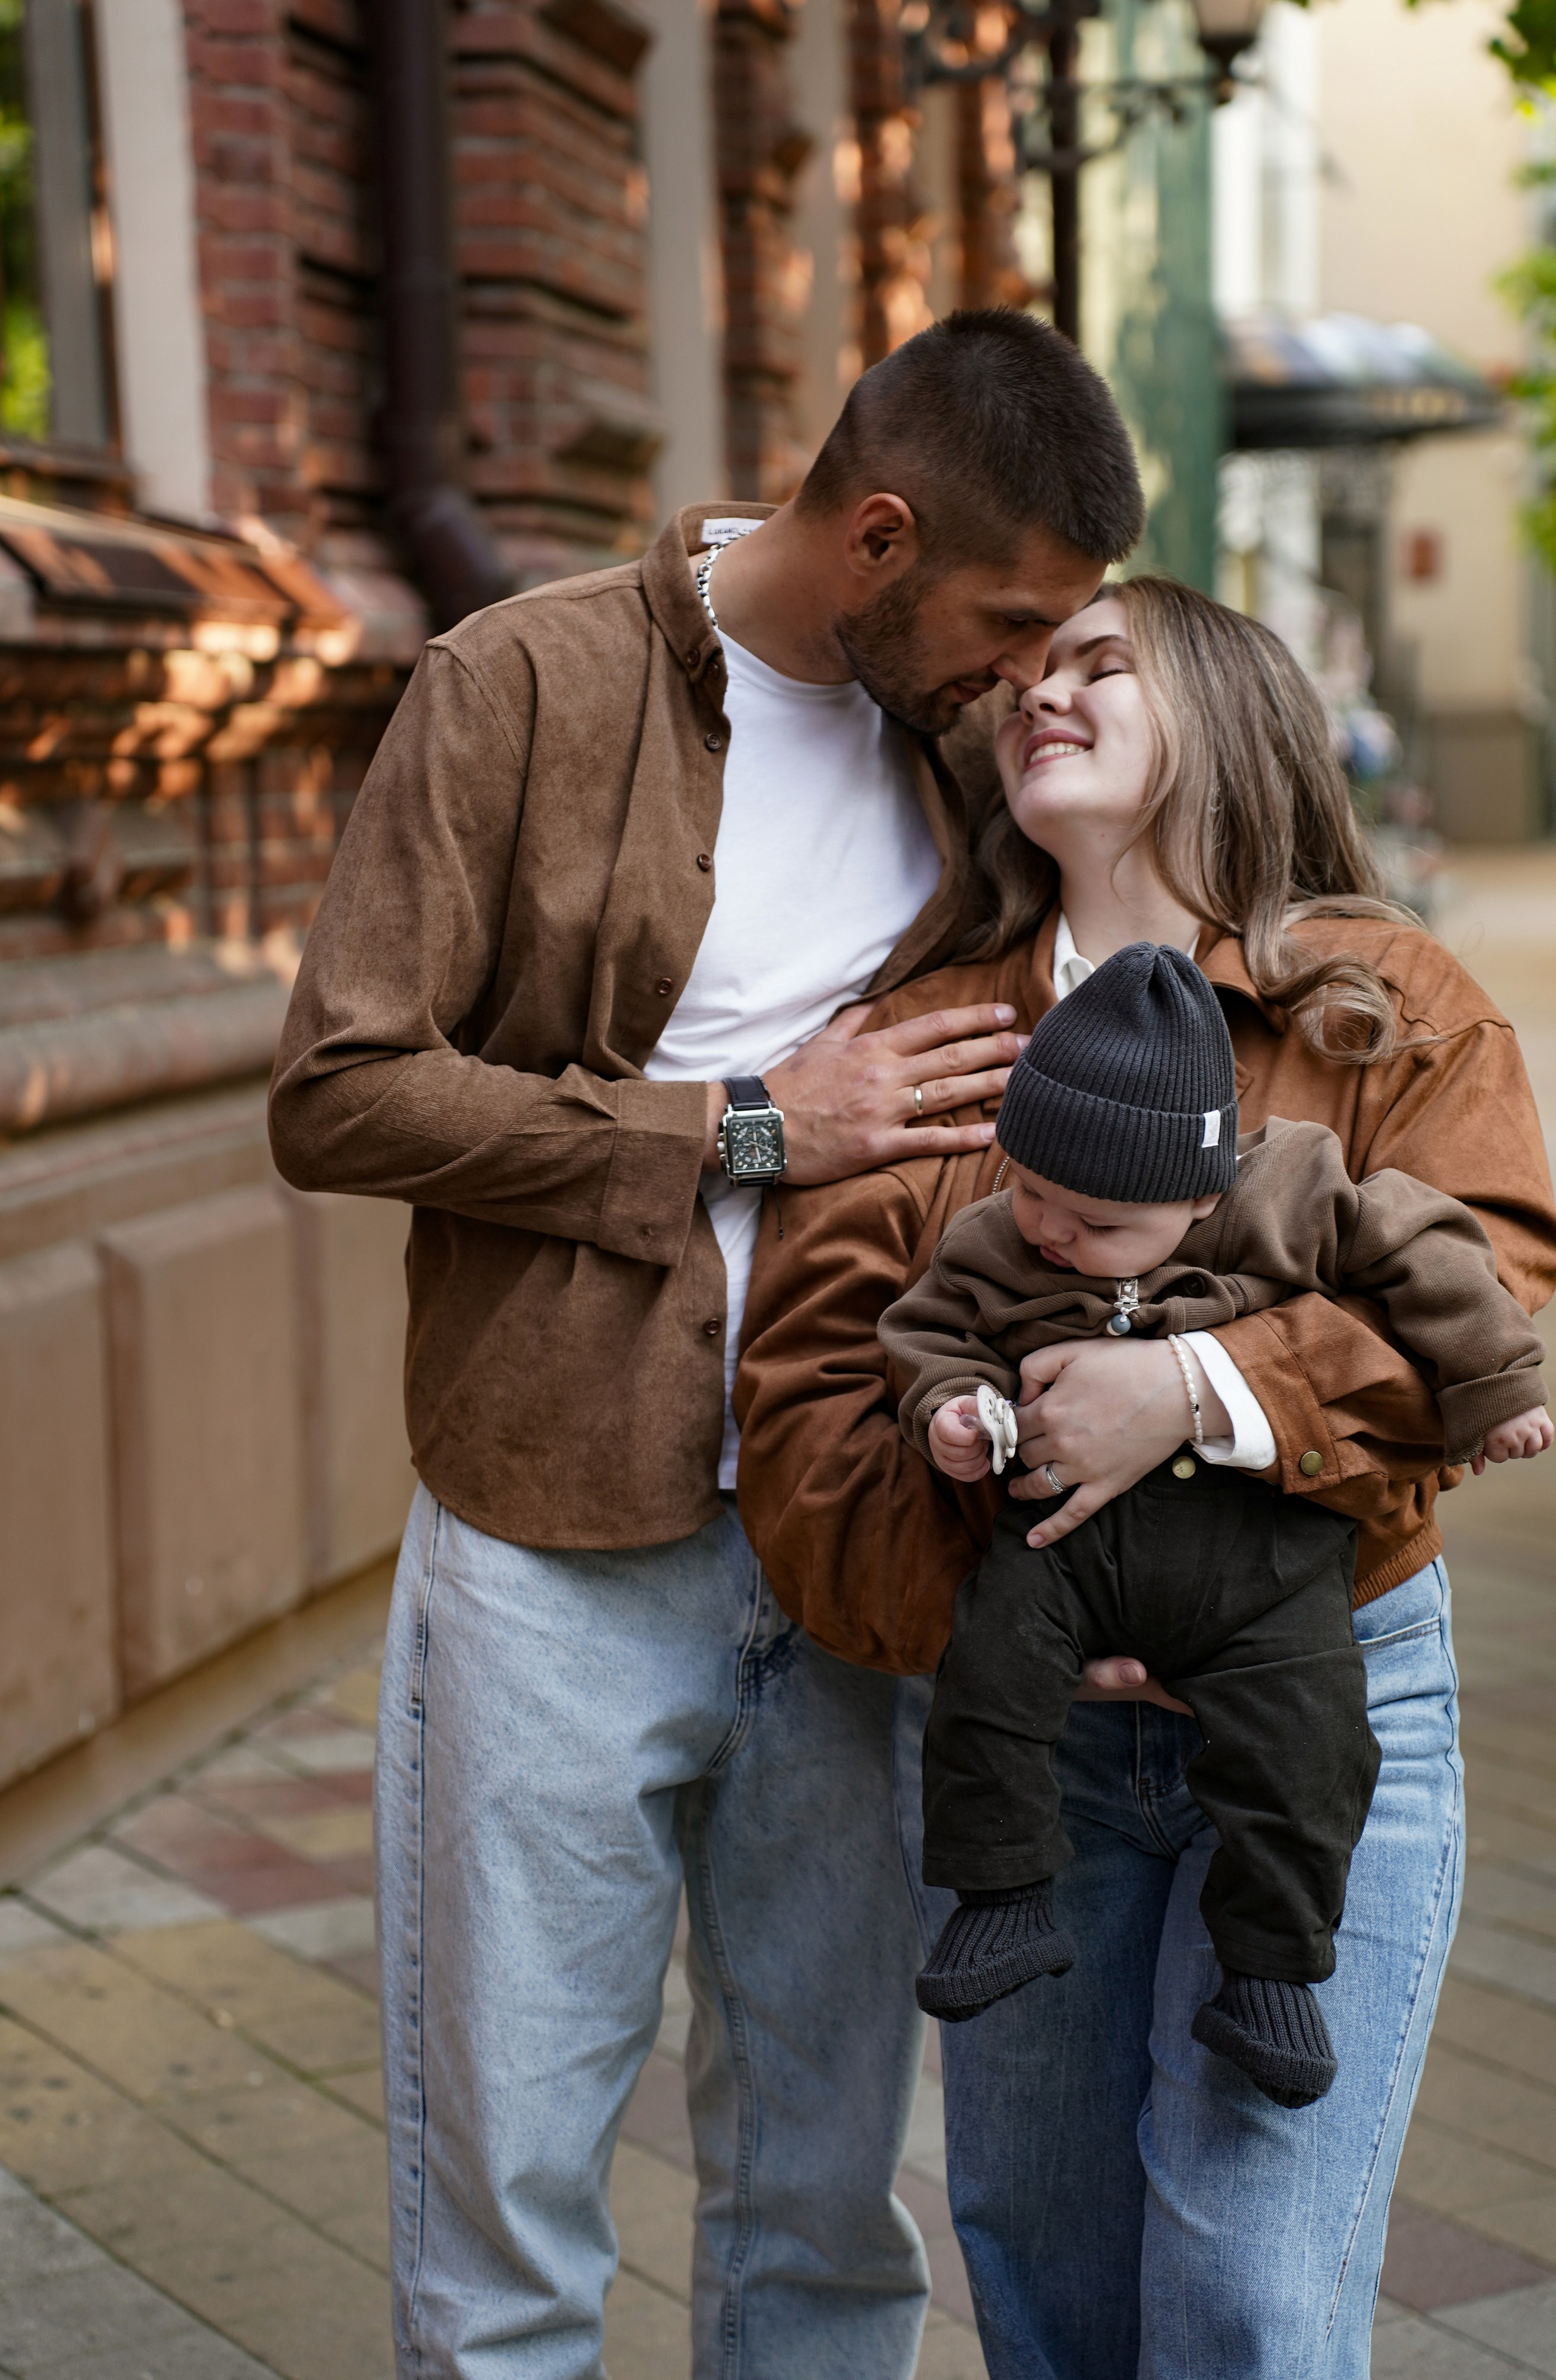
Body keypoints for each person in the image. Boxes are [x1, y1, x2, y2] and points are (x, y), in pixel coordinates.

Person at [266, 308, 1144, 2379]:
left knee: (828, 2216)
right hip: (550, 1545)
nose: (1032, 674)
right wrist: (752, 1124)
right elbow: (335, 1089)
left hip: (850, 1560)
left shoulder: (973, 769)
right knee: (507, 2225)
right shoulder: (522, 682)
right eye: (1011, 617)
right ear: (881, 536)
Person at [733, 576, 1556, 2377]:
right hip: (1026, 1753)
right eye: (1026, 672)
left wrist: (1186, 1389)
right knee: (1051, 2281)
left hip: (1328, 1695)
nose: (1044, 689)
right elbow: (806, 1437)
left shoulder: (1383, 999)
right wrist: (1006, 1585)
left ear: (1235, 711)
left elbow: (1483, 1295)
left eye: (1103, 661)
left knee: (1251, 2295)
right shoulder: (931, 1035)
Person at [878, 943, 1550, 2107]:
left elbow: (1432, 1251)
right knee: (984, 1676)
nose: (1047, 1230)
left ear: (1199, 1191)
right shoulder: (998, 1240)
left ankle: (1273, 1974)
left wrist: (1497, 1387)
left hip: (1265, 1561)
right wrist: (949, 1411)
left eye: (1092, 1220)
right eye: (1031, 1188)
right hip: (1062, 1551)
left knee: (1313, 1747)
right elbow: (930, 1333)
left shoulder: (1290, 1187)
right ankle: (1000, 1900)